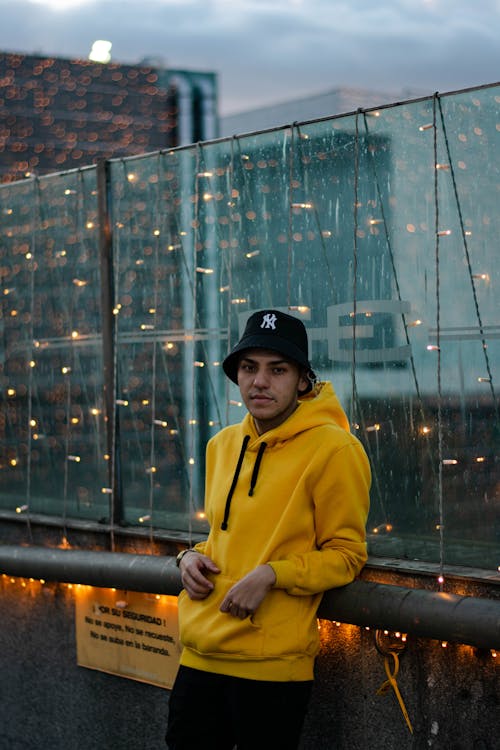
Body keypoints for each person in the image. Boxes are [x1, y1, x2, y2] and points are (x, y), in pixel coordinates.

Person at [166, 309, 371, 750]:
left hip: (271, 666)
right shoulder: (221, 445)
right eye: (249, 367)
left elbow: (347, 555)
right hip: (199, 654)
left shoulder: (336, 449)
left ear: (302, 380)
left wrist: (272, 574)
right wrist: (188, 558)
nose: (259, 382)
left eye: (277, 370)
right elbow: (226, 536)